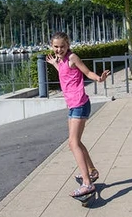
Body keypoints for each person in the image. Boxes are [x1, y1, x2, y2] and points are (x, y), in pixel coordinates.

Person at [45, 31, 110, 199]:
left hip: (80, 104)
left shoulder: (73, 57)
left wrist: (99, 79)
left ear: (68, 45)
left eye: (62, 46)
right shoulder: (61, 60)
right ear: (52, 46)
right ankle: (92, 171)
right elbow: (65, 72)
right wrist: (54, 63)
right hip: (73, 106)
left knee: (73, 143)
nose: (59, 50)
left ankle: (88, 183)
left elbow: (86, 72)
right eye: (56, 47)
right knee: (75, 142)